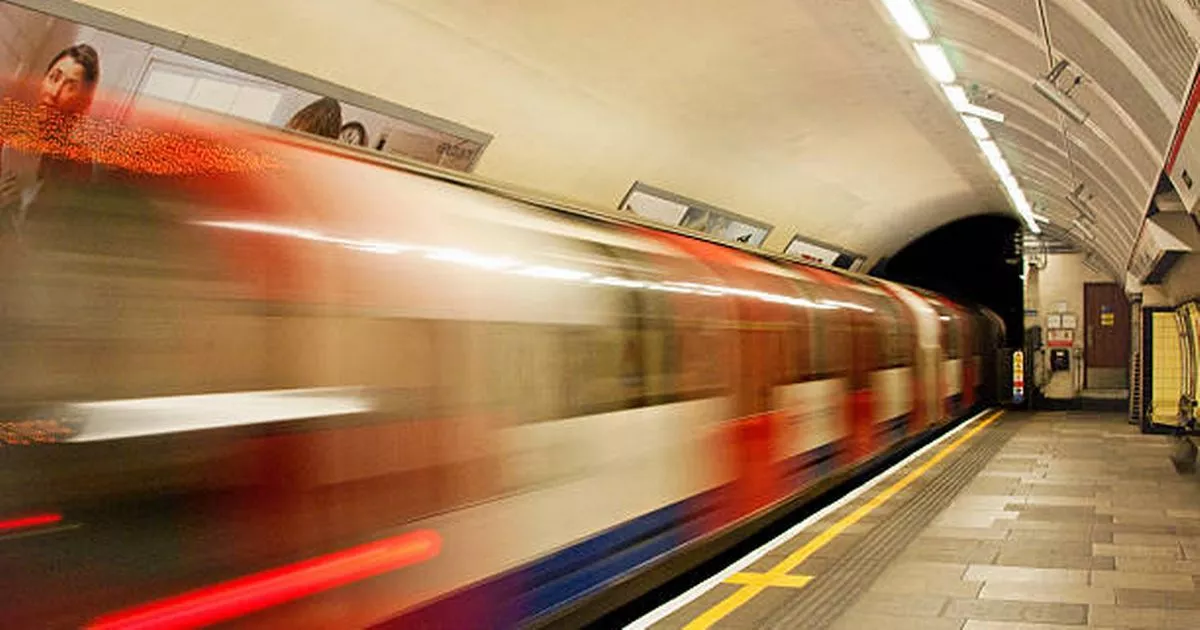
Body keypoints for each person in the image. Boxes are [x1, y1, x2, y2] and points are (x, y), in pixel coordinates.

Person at [0, 44, 101, 240]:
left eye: (71, 87)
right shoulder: (7, 131)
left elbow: (65, 233)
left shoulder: (77, 163)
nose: (55, 92)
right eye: (54, 78)